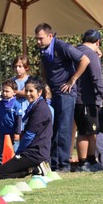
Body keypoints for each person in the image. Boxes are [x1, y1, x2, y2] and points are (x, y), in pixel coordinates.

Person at [34, 23, 89, 172]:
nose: (38, 42)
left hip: (65, 93)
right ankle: (53, 163)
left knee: (64, 128)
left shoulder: (62, 47)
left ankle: (63, 164)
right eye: (36, 39)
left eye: (40, 38)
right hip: (52, 93)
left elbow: (85, 60)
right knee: (53, 126)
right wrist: (45, 84)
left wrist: (72, 80)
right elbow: (45, 68)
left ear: (50, 36)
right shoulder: (44, 50)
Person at [0, 78, 53, 180]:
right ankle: (34, 169)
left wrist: (18, 153)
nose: (28, 94)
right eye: (26, 90)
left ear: (39, 92)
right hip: (36, 152)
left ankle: (34, 169)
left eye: (31, 91)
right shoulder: (36, 105)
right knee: (3, 171)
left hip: (34, 153)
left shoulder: (40, 109)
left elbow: (29, 135)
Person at [75, 29, 103, 172]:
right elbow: (97, 77)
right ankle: (83, 163)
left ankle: (91, 160)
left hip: (80, 98)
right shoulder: (90, 54)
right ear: (98, 42)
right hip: (86, 99)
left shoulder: (76, 51)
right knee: (85, 132)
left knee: (91, 131)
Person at [0, 79, 23, 164]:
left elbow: (19, 119)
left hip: (12, 133)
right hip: (2, 132)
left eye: (7, 91)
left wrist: (17, 133)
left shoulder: (16, 104)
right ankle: (1, 165)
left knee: (14, 151)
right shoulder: (0, 103)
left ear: (14, 92)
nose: (4, 93)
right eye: (3, 91)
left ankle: (15, 166)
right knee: (1, 151)